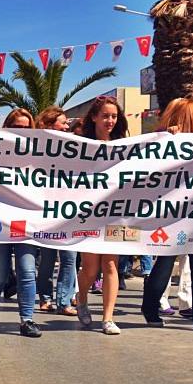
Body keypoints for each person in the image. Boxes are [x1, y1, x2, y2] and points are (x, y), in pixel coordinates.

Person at [140, 98, 193, 332]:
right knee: (165, 263)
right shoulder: (164, 139)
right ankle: (150, 306)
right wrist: (168, 136)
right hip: (172, 214)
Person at [0, 107, 41, 338]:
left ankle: (27, 320)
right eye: (16, 128)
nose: (22, 132)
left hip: (25, 220)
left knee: (27, 270)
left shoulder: (39, 153)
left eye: (27, 128)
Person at [74, 97, 126, 335]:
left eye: (114, 116)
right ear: (94, 117)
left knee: (111, 266)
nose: (110, 121)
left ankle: (108, 318)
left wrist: (171, 134)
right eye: (105, 116)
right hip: (88, 216)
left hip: (115, 215)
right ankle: (81, 298)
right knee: (90, 269)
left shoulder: (126, 147)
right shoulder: (78, 147)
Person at [33, 106, 78, 316]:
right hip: (47, 213)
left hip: (70, 213)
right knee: (48, 260)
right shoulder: (37, 147)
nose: (68, 125)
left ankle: (64, 301)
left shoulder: (76, 145)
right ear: (51, 125)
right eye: (63, 122)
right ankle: (45, 297)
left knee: (69, 258)